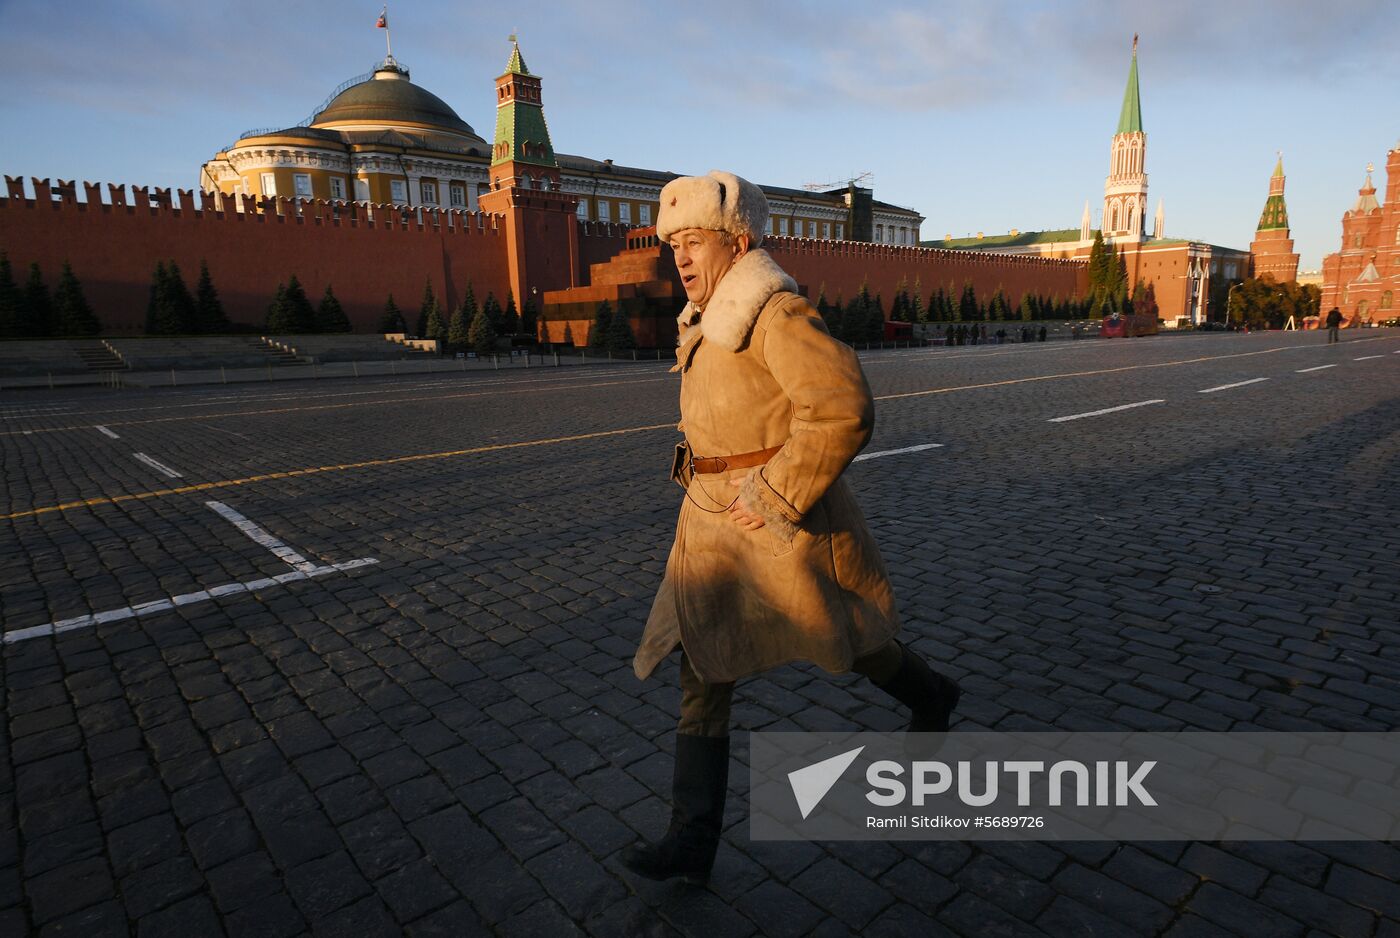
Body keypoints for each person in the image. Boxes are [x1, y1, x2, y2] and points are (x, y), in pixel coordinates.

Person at [624, 171, 960, 884]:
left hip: (778, 526)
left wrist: (776, 492)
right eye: (672, 244)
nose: (679, 258)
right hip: (711, 527)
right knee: (701, 668)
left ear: (738, 241)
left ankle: (932, 695)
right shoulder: (708, 316)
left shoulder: (772, 314)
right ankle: (692, 840)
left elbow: (842, 407)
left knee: (855, 643)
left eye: (695, 242)